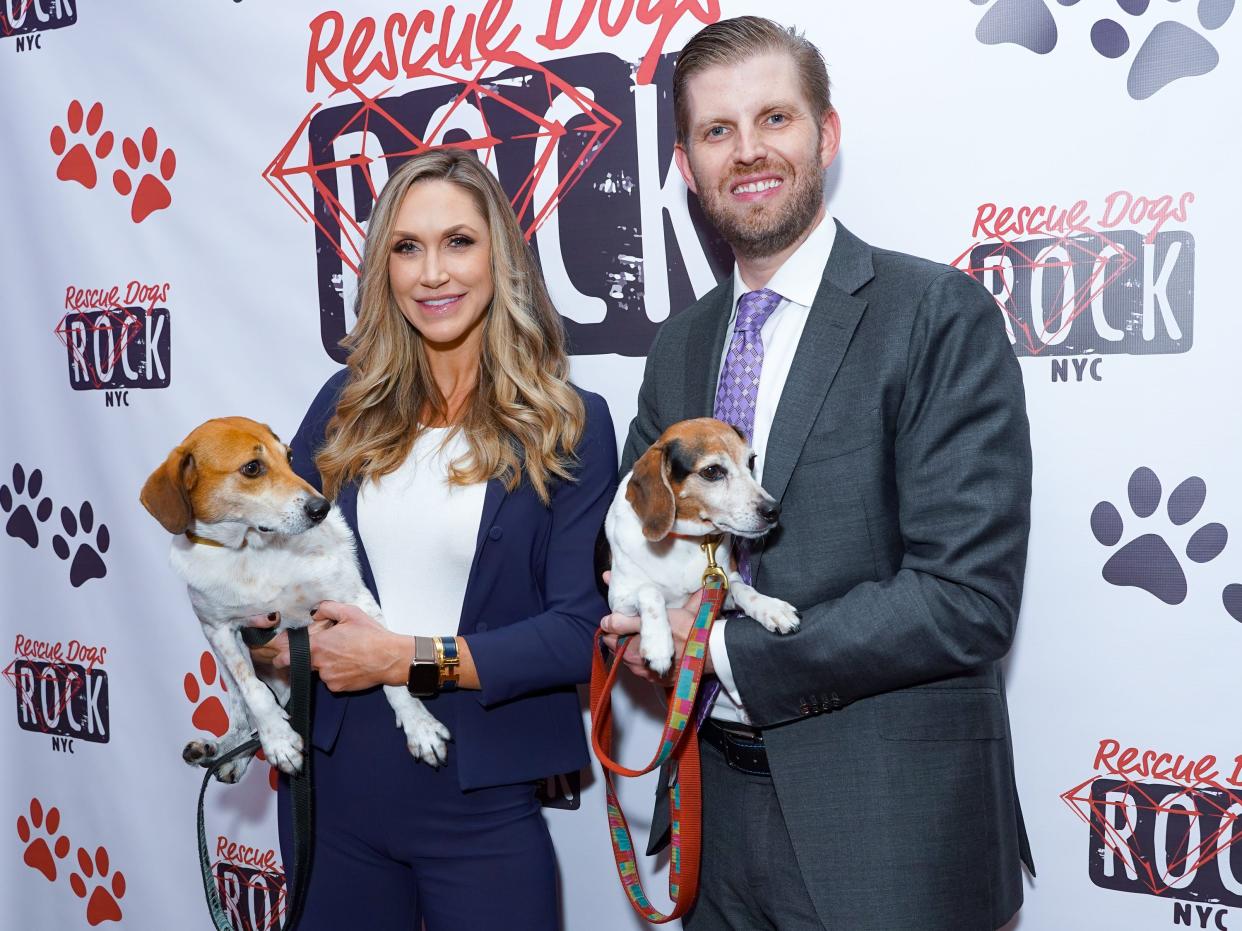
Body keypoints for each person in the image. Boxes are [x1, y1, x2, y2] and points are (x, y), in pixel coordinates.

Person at [600, 16, 1034, 931]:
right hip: (710, 816)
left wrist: (715, 649)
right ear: (686, 163)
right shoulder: (679, 346)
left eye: (776, 119)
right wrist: (630, 616)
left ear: (826, 135)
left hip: (887, 825)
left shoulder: (933, 313)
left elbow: (966, 598)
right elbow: (638, 530)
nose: (748, 151)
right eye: (717, 131)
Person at [249, 147, 617, 930]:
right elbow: (269, 569)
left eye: (458, 241)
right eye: (406, 248)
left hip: (479, 799)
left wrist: (402, 655)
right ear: (384, 268)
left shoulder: (569, 422)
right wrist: (268, 642)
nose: (432, 273)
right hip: (334, 785)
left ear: (501, 257)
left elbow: (578, 631)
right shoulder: (343, 406)